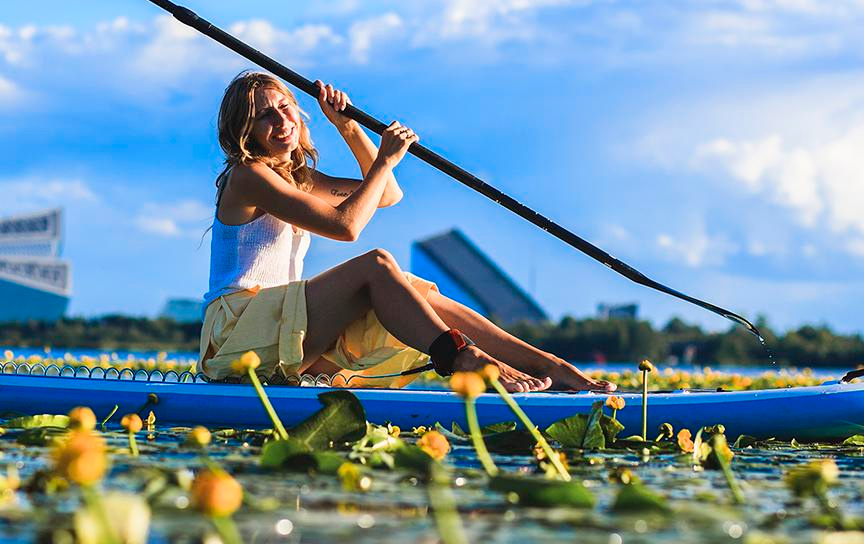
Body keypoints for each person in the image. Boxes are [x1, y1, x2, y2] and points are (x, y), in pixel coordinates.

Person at [199, 70, 616, 393]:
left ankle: (548, 366)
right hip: (237, 334)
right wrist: (384, 159)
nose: (281, 120)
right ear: (245, 132)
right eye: (263, 116)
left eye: (284, 107)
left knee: (417, 290)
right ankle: (463, 360)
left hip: (283, 327)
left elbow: (387, 195)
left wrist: (348, 127)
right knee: (376, 265)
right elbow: (346, 227)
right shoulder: (247, 175)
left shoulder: (300, 177)